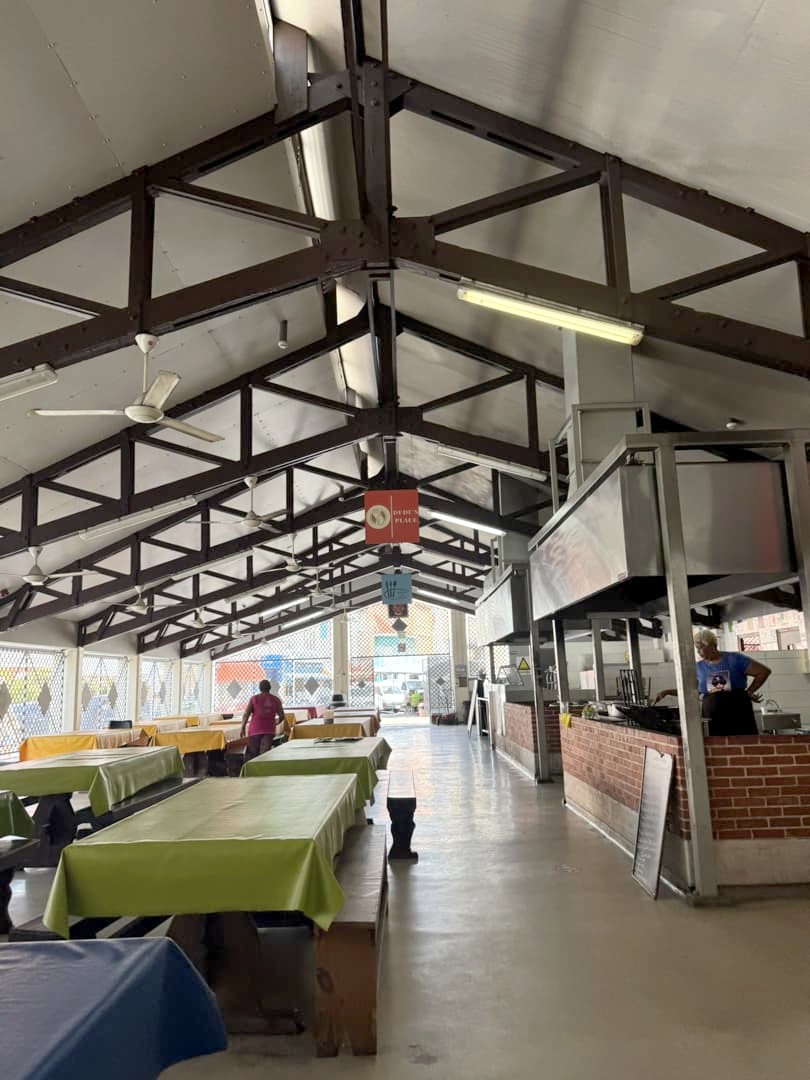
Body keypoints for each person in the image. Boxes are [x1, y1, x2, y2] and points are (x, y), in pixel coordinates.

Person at [654, 629, 771, 736]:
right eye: (697, 649)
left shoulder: (734, 659)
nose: (698, 652)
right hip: (712, 714)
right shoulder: (699, 667)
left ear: (711, 645)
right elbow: (690, 691)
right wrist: (667, 692)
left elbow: (763, 672)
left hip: (737, 710)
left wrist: (749, 691)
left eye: (700, 648)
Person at [240, 679, 286, 761]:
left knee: (253, 754)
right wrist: (276, 723)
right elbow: (282, 716)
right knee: (265, 754)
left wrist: (242, 727)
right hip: (269, 730)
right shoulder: (276, 700)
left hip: (255, 729)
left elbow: (246, 714)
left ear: (259, 688)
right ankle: (263, 767)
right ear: (270, 688)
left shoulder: (254, 699)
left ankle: (252, 767)